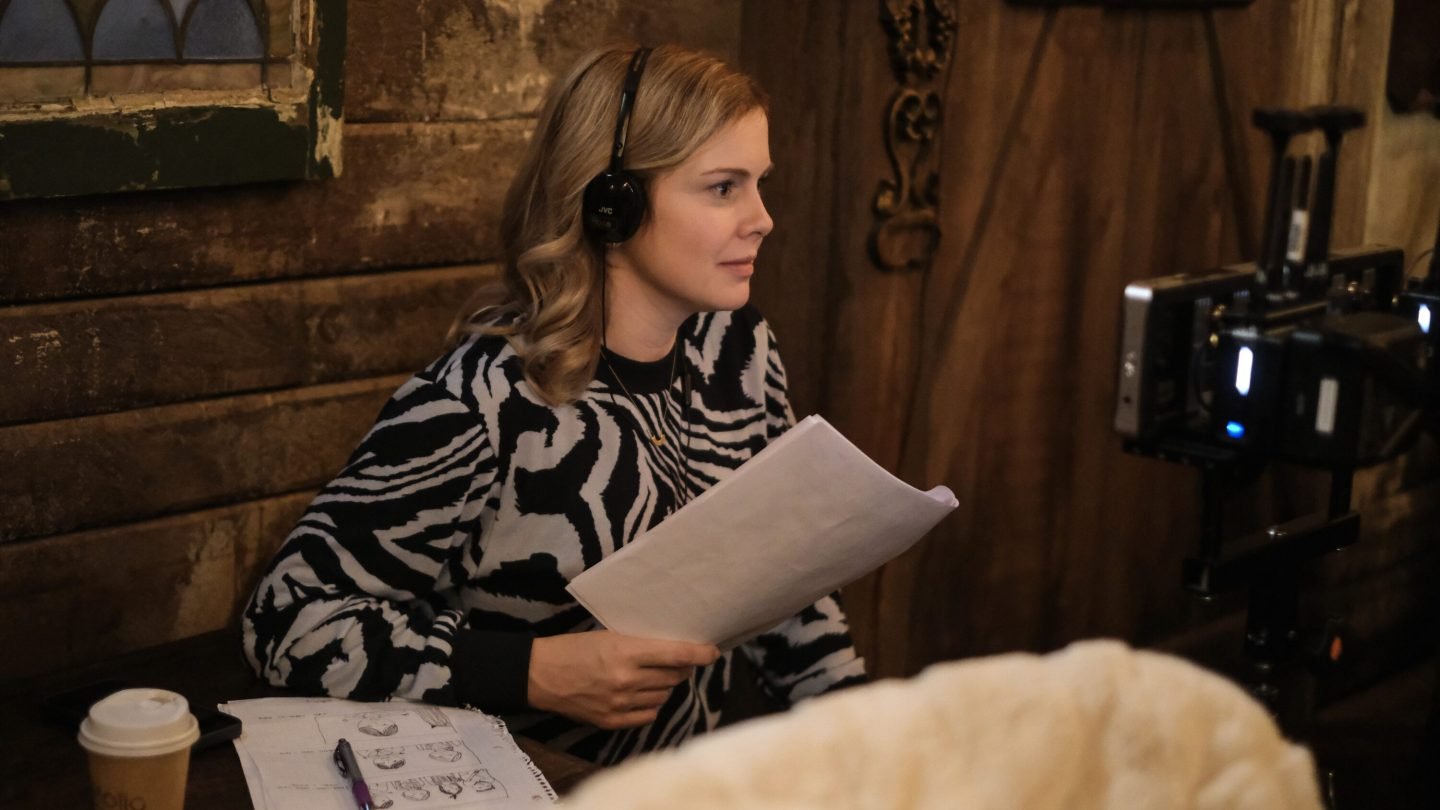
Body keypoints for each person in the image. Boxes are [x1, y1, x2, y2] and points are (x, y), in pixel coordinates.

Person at [241, 43, 867, 764]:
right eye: (723, 188)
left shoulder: (738, 349)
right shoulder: (479, 402)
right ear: (612, 204)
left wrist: (874, 743)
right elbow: (285, 619)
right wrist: (530, 671)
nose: (763, 218)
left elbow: (781, 574)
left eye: (759, 184)